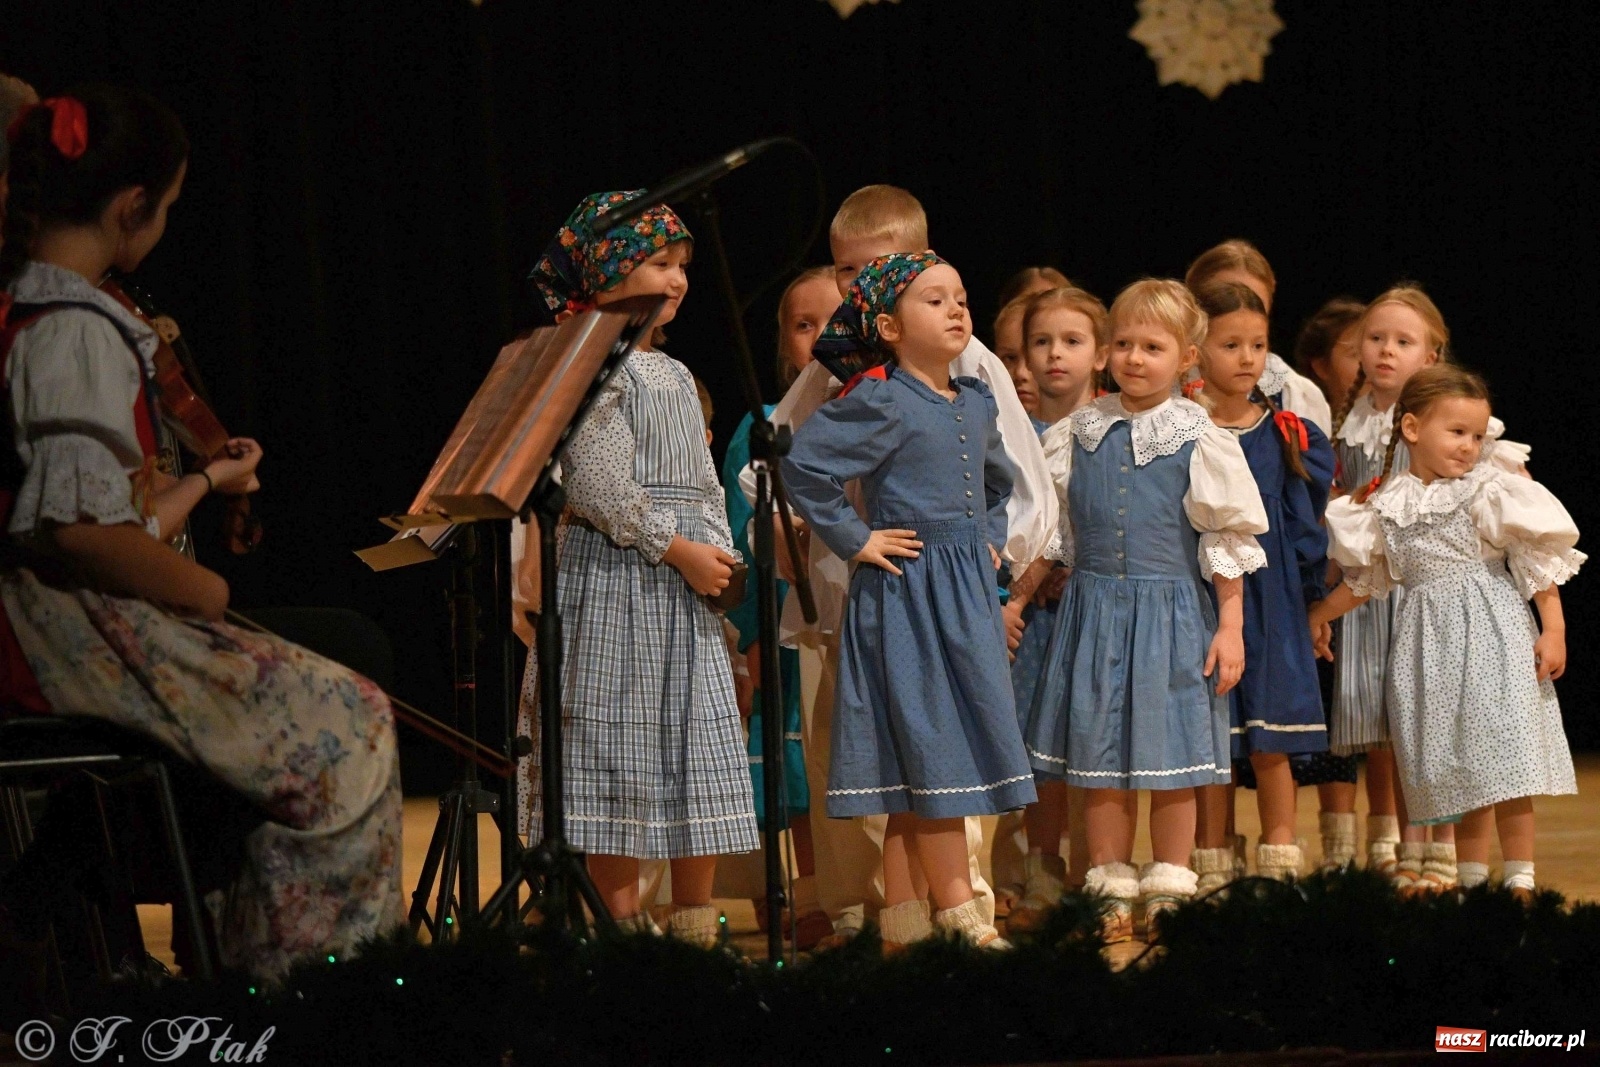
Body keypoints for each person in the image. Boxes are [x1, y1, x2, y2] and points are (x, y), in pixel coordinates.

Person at [0, 85, 402, 987]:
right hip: (66, 636)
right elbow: (78, 530)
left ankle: (239, 959)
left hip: (64, 624)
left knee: (323, 703)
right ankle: (313, 988)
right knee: (353, 722)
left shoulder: (36, 313)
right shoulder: (73, 331)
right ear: (130, 208)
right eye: (169, 208)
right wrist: (203, 591)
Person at [742, 185, 1056, 941]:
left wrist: (993, 564)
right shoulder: (847, 368)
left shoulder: (970, 374)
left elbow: (1018, 482)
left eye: (874, 269)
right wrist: (844, 535)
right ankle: (886, 914)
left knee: (948, 754)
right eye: (846, 272)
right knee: (877, 759)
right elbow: (779, 464)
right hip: (874, 588)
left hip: (952, 590)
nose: (856, 286)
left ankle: (961, 907)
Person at [515, 190, 757, 945]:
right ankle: (616, 923)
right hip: (620, 582)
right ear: (608, 272)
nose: (678, 279)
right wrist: (676, 548)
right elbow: (597, 485)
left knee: (693, 747)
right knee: (617, 752)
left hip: (685, 591)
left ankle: (694, 924)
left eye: (682, 265)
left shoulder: (675, 373)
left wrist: (718, 550)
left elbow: (704, 482)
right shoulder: (596, 364)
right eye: (658, 263)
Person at [1023, 279, 1268, 942]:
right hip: (1095, 615)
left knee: (1172, 760)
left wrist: (1230, 626)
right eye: (1124, 343)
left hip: (1171, 617)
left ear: (1186, 357)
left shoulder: (1199, 436)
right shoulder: (1080, 431)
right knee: (1101, 761)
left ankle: (1168, 884)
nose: (1134, 358)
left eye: (1152, 347)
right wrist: (1016, 597)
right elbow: (1055, 532)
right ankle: (1108, 885)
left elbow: (1224, 540)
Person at [1311, 365, 1580, 902]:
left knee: (1509, 761)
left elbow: (1536, 563)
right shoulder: (1386, 504)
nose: (1469, 446)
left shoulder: (1487, 490)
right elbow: (1367, 581)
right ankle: (1473, 882)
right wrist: (1319, 614)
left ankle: (1521, 878)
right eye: (1457, 432)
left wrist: (1554, 629)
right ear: (1412, 428)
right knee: (1465, 765)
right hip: (1428, 647)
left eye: (1477, 436)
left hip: (1493, 635)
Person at [1328, 285, 1528, 892]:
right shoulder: (1353, 422)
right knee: (1400, 727)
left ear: (1432, 354)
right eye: (1375, 338)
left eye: (1403, 341)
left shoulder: (1461, 423)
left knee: (1447, 728)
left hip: (1449, 601)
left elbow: (1515, 511)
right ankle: (1400, 848)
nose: (1386, 350)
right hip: (1382, 591)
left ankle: (1444, 851)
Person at [1188, 282, 1335, 890]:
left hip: (1273, 603)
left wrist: (1313, 605)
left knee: (1272, 740)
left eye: (1257, 344)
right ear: (1196, 350)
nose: (1247, 358)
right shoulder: (1183, 429)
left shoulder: (1285, 433)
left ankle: (1279, 866)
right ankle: (1212, 864)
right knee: (1212, 742)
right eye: (1231, 345)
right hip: (1205, 596)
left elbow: (1305, 527)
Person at [718, 266, 836, 950]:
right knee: (783, 759)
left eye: (832, 320)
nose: (819, 338)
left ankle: (837, 890)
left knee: (829, 761)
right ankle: (784, 889)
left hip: (845, 619)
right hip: (785, 620)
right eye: (802, 325)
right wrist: (756, 631)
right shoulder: (764, 427)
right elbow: (744, 534)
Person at [1003, 286, 1117, 934]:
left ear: (1099, 353)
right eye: (1041, 342)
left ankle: (1094, 877)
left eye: (1071, 341)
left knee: (1094, 746)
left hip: (1097, 611)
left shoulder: (1113, 430)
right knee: (1038, 751)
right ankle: (1043, 873)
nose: (1053, 355)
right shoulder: (1012, 435)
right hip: (1038, 618)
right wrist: (1022, 581)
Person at [1184, 239, 1332, 436]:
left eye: (1254, 302)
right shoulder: (1163, 388)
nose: (1242, 307)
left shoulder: (1295, 394)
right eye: (1225, 298)